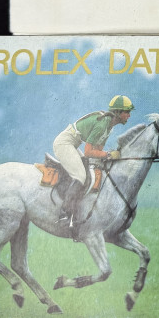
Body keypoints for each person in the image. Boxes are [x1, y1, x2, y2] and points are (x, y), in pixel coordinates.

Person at [53, 95, 134, 231]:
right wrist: (109, 155)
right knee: (80, 176)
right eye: (127, 112)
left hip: (73, 144)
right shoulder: (102, 124)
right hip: (64, 143)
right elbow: (88, 152)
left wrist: (109, 156)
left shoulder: (109, 127)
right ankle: (64, 214)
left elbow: (98, 150)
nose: (129, 115)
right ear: (117, 112)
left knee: (88, 172)